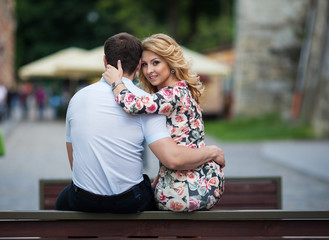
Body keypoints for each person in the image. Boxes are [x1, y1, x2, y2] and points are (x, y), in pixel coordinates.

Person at [55, 32, 225, 213]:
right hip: (137, 200)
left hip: (86, 199)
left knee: (61, 204)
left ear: (105, 62)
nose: (149, 70)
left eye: (156, 63)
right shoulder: (162, 97)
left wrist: (116, 84)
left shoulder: (78, 98)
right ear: (137, 65)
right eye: (145, 64)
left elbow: (132, 105)